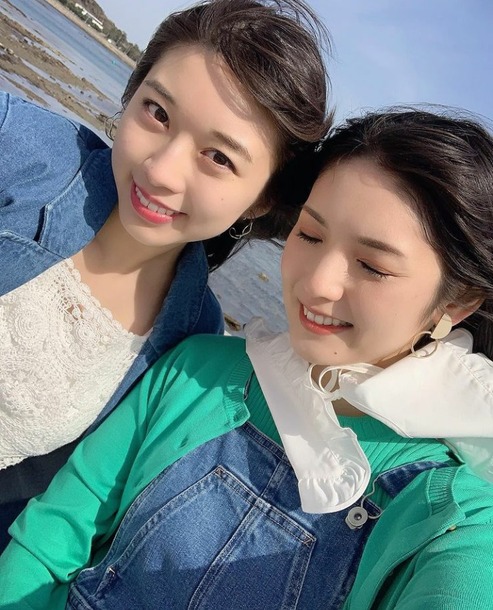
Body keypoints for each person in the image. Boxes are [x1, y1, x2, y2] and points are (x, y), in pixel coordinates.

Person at [4, 106, 493, 610]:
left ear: (456, 303)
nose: (317, 284)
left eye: (372, 266)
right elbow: (47, 543)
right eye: (309, 234)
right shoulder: (196, 371)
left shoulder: (449, 517)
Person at [0, 0, 332, 549]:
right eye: (157, 113)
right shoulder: (20, 151)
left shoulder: (191, 338)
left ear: (261, 199)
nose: (160, 170)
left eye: (219, 158)